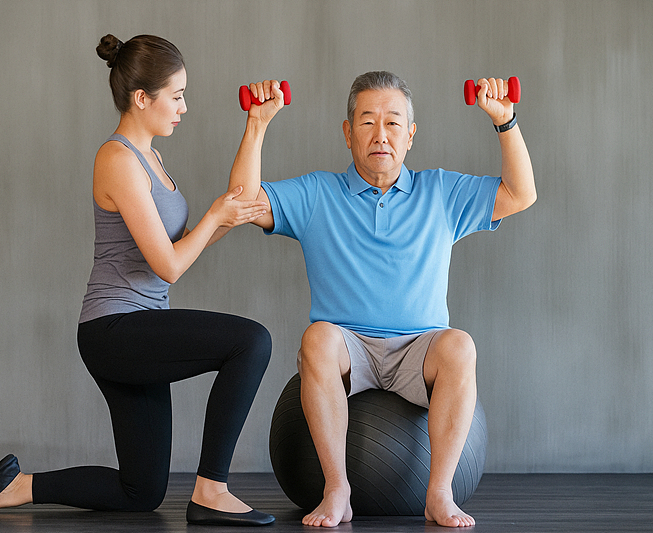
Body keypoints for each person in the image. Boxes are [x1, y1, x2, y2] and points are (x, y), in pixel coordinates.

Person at [0, 34, 276, 527]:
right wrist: (211, 216)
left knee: (139, 490)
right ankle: (212, 490)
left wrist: (256, 128)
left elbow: (231, 213)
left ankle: (17, 487)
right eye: (177, 95)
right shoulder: (116, 160)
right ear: (143, 98)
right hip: (114, 330)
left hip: (137, 330)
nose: (185, 106)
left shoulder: (154, 160)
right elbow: (169, 265)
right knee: (252, 341)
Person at [228, 72, 536, 528]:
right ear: (348, 132)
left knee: (461, 346)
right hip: (348, 349)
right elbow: (243, 200)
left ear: (410, 136)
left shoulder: (441, 192)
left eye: (393, 123)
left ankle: (439, 494)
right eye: (367, 121)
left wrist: (505, 121)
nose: (380, 134)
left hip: (420, 348)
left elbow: (520, 194)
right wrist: (256, 124)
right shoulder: (318, 193)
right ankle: (337, 490)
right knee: (316, 339)